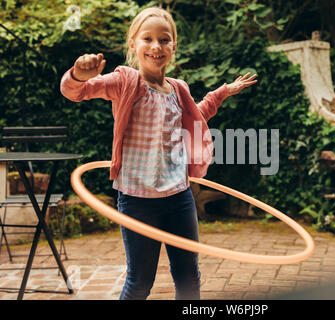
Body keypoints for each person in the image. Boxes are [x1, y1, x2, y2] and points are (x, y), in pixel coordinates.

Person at [60, 6, 257, 300]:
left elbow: (196, 117)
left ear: (173, 46)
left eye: (164, 40)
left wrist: (221, 93)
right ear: (133, 44)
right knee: (140, 282)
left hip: (179, 197)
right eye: (147, 39)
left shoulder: (178, 89)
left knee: (189, 276)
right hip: (137, 200)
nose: (156, 46)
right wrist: (77, 75)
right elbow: (75, 92)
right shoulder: (125, 81)